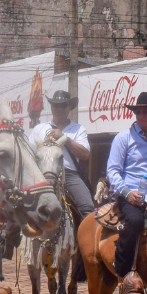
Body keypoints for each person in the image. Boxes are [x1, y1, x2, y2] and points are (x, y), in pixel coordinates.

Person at [105, 92, 147, 293]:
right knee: (135, 221)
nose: (141, 116)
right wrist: (127, 193)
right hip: (131, 193)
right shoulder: (123, 138)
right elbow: (112, 171)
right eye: (138, 112)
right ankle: (124, 272)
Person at [31, 90, 94, 221]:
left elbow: (85, 154)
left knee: (87, 207)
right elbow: (29, 152)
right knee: (20, 204)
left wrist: (65, 139)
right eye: (55, 105)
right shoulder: (39, 129)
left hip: (69, 174)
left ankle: (86, 233)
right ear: (51, 107)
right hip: (41, 172)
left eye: (63, 105)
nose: (59, 108)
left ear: (69, 107)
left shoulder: (78, 129)